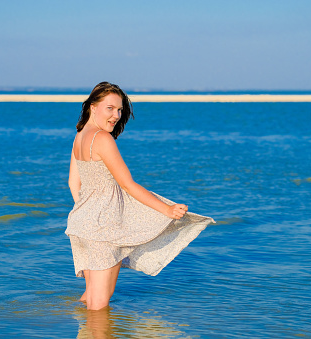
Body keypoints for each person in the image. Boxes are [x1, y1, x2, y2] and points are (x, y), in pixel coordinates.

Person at [66, 82, 214, 310]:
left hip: (81, 224)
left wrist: (88, 215)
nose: (116, 115)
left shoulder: (80, 136)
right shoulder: (103, 139)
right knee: (100, 303)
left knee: (90, 295)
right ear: (93, 107)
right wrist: (166, 210)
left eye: (120, 110)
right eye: (110, 108)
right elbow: (127, 184)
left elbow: (73, 183)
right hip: (103, 228)